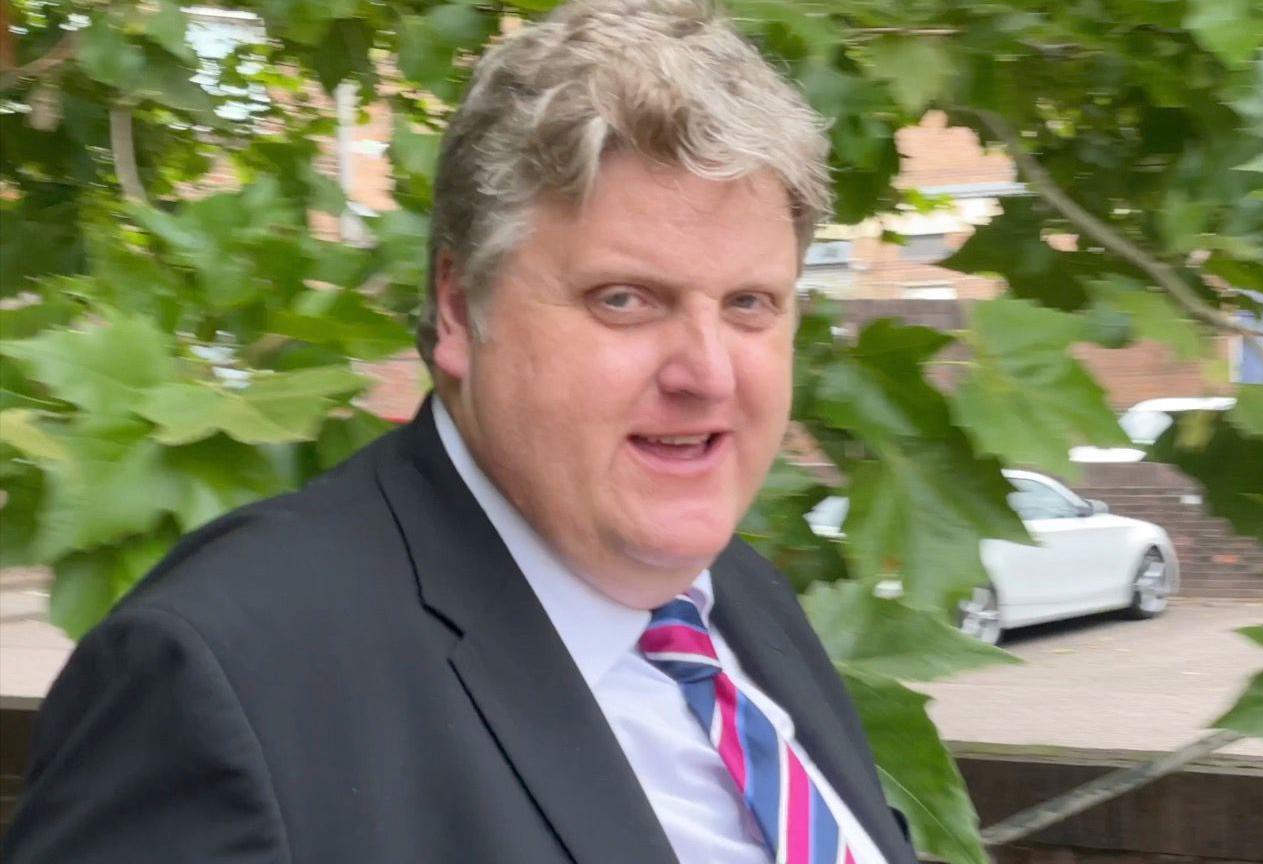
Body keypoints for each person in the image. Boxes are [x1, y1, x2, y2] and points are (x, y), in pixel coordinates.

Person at [0, 1, 919, 861]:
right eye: (626, 300)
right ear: (457, 307)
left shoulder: (739, 601)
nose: (708, 373)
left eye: (751, 303)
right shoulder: (220, 682)